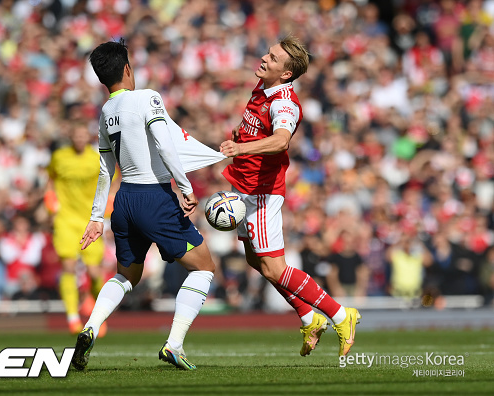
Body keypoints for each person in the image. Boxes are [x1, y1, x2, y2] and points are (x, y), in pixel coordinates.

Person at [72, 39, 216, 371]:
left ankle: (91, 326)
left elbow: (106, 169)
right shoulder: (148, 97)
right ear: (127, 69)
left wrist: (97, 217)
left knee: (126, 276)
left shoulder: (106, 112)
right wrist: (185, 187)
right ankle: (174, 344)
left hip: (123, 202)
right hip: (154, 196)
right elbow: (166, 146)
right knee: (204, 267)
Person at [219, 36, 360, 357]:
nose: (264, 59)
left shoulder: (284, 103)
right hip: (243, 185)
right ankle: (310, 318)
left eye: (272, 58)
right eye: (267, 53)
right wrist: (243, 137)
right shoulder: (261, 87)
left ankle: (340, 314)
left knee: (274, 268)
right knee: (255, 260)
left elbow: (281, 140)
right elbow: (261, 132)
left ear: (285, 74)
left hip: (262, 192)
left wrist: (241, 147)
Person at [46, 124, 107, 335]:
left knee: (94, 271)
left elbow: (113, 180)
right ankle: (72, 317)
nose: (80, 138)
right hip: (65, 220)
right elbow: (50, 180)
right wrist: (50, 202)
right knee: (68, 267)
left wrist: (108, 206)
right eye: (76, 135)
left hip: (90, 219)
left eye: (83, 135)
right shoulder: (59, 157)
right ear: (71, 136)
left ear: (87, 137)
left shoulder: (96, 158)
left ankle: (98, 313)